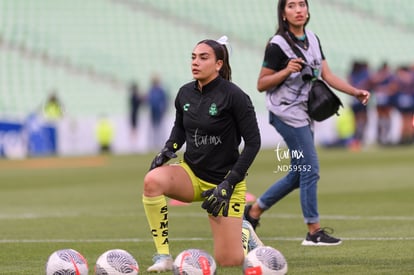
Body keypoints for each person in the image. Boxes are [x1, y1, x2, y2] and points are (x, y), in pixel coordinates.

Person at [244, 0, 370, 246]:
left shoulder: (312, 38)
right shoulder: (277, 45)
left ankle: (253, 212)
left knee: (298, 173)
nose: (298, 9)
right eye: (291, 5)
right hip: (285, 114)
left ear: (308, 10)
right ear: (283, 13)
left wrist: (354, 92)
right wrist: (285, 71)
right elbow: (261, 84)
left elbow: (328, 75)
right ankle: (313, 232)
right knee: (310, 169)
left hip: (304, 113)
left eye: (302, 4)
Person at [142, 36, 262, 272]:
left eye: (203, 58)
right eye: (193, 57)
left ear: (218, 64)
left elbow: (253, 143)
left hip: (225, 185)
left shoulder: (235, 96)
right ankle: (163, 257)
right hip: (192, 175)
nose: (195, 62)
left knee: (230, 261)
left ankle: (243, 231)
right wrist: (169, 149)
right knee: (152, 181)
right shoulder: (184, 93)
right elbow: (179, 130)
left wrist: (230, 183)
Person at [147, 74, 168, 149]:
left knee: (160, 129)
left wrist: (164, 110)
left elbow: (165, 101)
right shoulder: (151, 90)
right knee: (153, 129)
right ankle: (153, 145)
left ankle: (161, 144)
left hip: (159, 113)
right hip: (153, 112)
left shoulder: (161, 91)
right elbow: (149, 101)